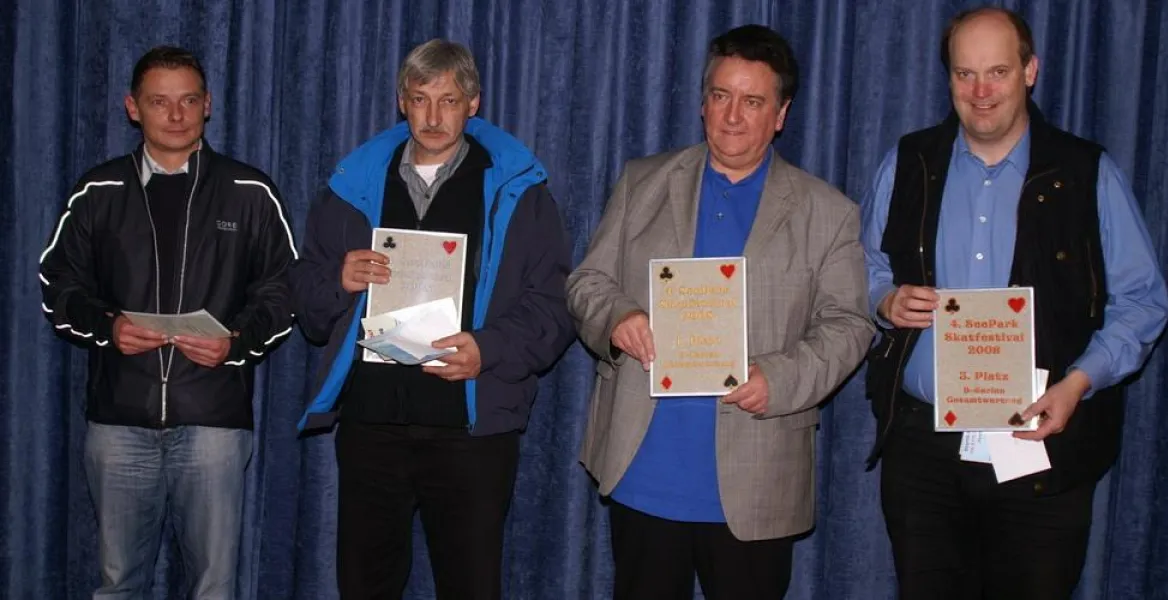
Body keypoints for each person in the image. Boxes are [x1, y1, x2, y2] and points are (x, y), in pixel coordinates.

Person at [861, 7, 1168, 599]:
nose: (980, 92)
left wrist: (1079, 382)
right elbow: (865, 262)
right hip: (923, 452)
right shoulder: (908, 162)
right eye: (964, 74)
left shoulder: (1087, 171)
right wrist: (884, 298)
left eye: (997, 72)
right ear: (948, 78)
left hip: (1039, 447)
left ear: (1030, 71)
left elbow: (1143, 301)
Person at [567, 24, 875, 600]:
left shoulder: (828, 212)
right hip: (643, 470)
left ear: (780, 114)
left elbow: (850, 325)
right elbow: (587, 281)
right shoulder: (643, 181)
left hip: (757, 479)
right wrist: (617, 318)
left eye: (753, 101)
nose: (733, 116)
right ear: (703, 102)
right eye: (721, 96)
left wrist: (778, 379)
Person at [290, 39, 574, 599]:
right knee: (364, 585)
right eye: (420, 99)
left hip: (472, 426)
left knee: (470, 585)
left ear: (474, 103)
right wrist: (336, 281)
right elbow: (304, 292)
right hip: (372, 423)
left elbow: (554, 304)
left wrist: (489, 350)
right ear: (401, 101)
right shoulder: (352, 185)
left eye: (448, 100)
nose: (433, 116)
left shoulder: (519, 189)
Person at [38, 46, 297, 598]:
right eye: (160, 102)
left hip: (214, 424)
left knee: (213, 587)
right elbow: (58, 285)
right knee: (117, 584)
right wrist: (108, 327)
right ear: (133, 108)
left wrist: (236, 344)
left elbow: (282, 291)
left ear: (208, 106)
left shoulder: (251, 192)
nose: (175, 115)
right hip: (117, 423)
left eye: (188, 101)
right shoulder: (97, 191)